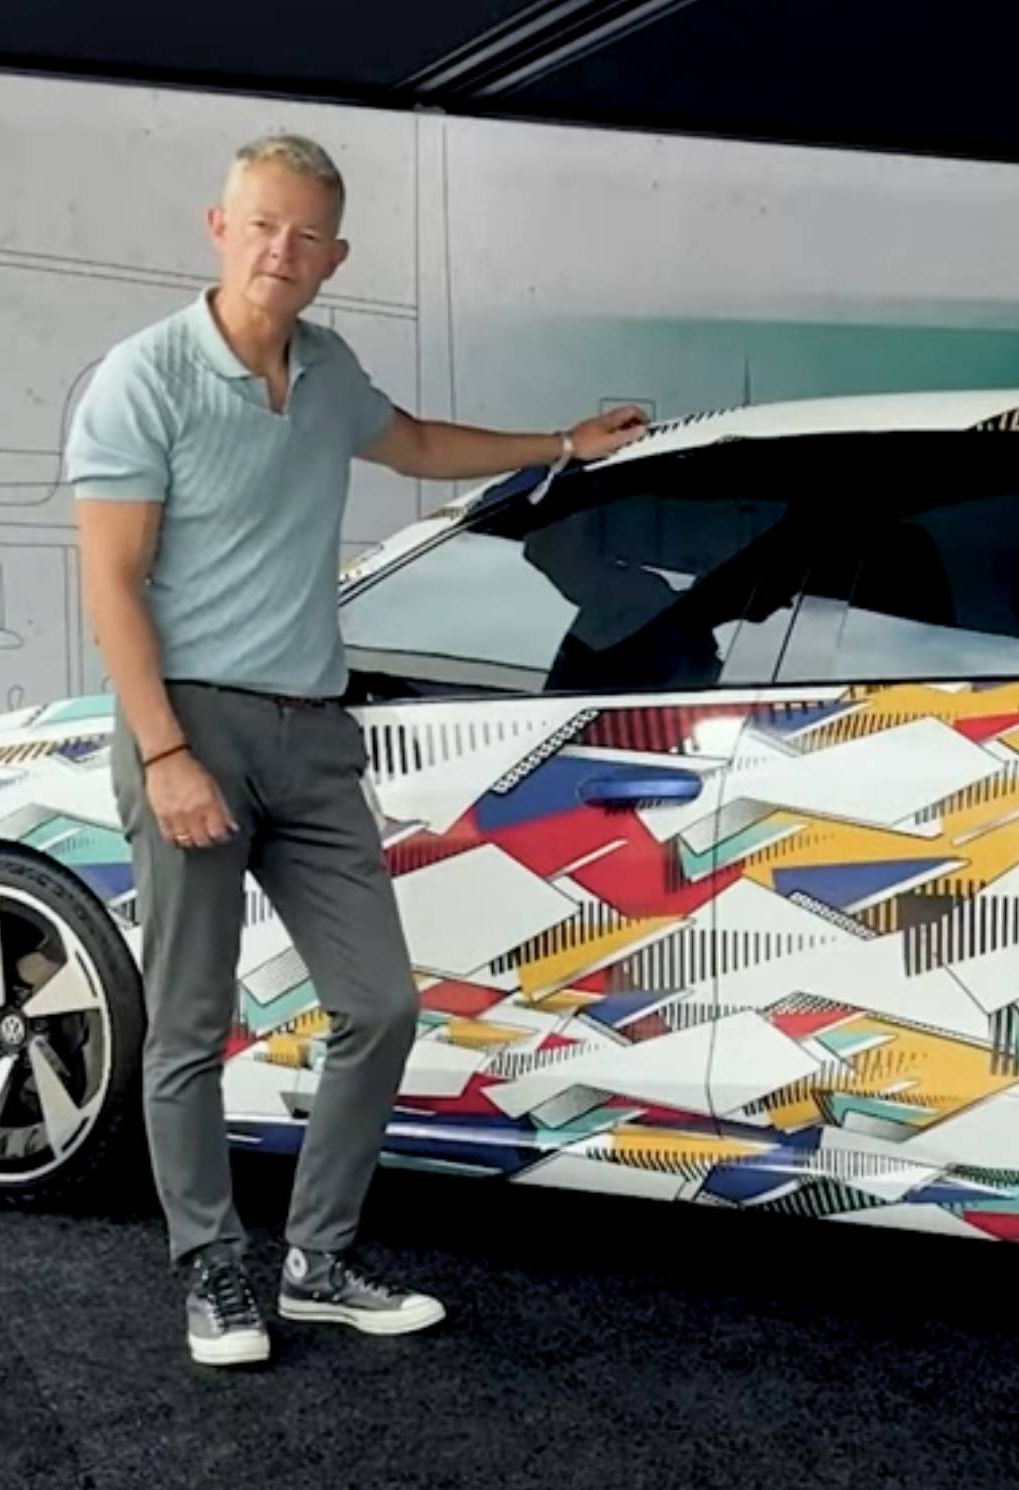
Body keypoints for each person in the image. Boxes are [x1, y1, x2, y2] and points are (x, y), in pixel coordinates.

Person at [66, 132, 646, 1368]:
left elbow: (417, 443)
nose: (281, 250)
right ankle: (211, 1268)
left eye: (307, 235)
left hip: (314, 734)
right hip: (190, 726)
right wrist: (165, 754)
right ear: (219, 228)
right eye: (261, 225)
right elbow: (111, 584)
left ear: (334, 256)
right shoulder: (142, 378)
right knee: (190, 1022)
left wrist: (562, 443)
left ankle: (317, 1262)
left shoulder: (326, 370)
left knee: (379, 1005)